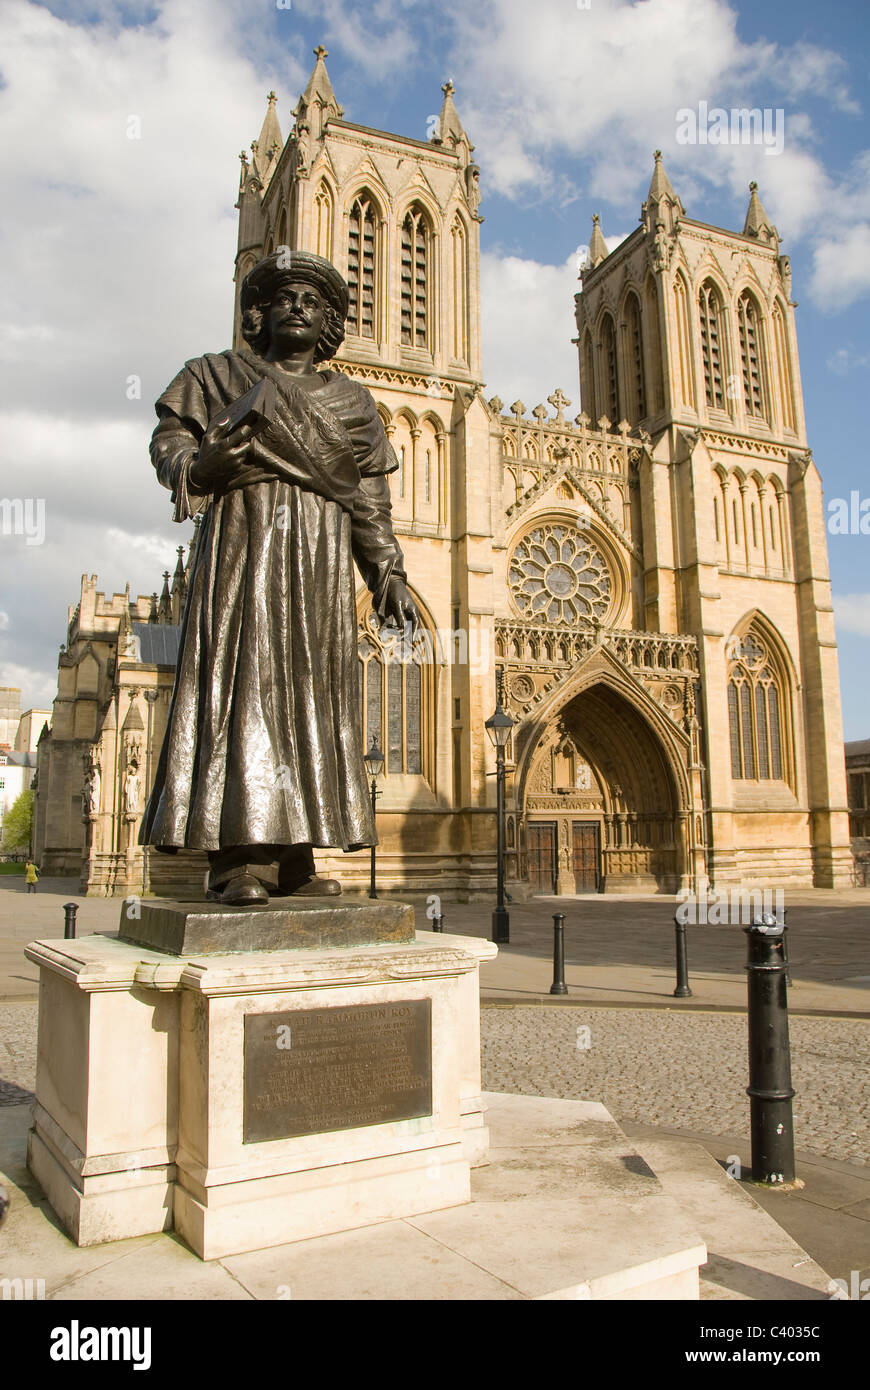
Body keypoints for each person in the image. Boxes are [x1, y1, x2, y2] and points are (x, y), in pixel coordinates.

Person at [140, 249, 418, 906]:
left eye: (313, 301)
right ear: (258, 312)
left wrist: (387, 574)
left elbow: (369, 500)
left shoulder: (352, 401)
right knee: (247, 687)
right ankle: (241, 857)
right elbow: (168, 444)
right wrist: (200, 465)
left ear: (327, 322)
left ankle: (293, 853)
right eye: (285, 297)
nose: (298, 307)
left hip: (319, 564)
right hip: (246, 547)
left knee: (311, 696)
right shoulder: (213, 375)